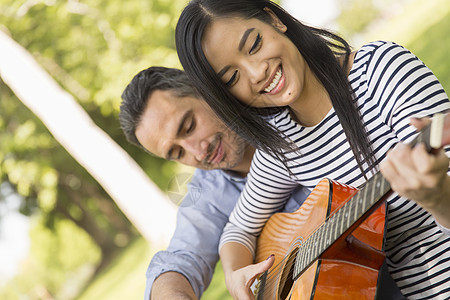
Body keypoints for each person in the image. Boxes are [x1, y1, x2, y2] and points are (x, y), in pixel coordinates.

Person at [175, 0, 450, 299]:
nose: (255, 73)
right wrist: (235, 275)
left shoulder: (381, 70)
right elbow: (238, 231)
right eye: (231, 77)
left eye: (254, 44)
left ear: (274, 20)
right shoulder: (281, 144)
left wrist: (437, 196)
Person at [119, 66, 311, 299]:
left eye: (189, 127)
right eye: (177, 152)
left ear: (204, 90)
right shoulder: (205, 192)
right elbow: (181, 260)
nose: (197, 153)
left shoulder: (291, 106)